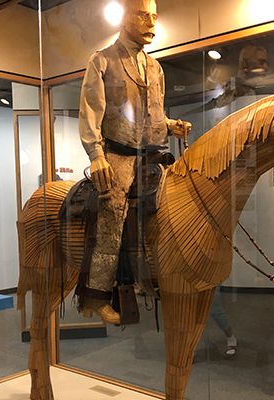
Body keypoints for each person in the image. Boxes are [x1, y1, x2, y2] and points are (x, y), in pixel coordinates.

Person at [78, 0, 192, 324]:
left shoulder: (155, 68)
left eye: (154, 16)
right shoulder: (101, 61)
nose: (150, 23)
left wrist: (171, 125)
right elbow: (89, 113)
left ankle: (162, 274)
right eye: (143, 15)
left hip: (154, 152)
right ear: (125, 17)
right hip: (118, 155)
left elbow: (155, 113)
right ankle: (97, 293)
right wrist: (96, 155)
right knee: (113, 209)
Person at [209, 290, 238, 358]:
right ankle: (188, 346)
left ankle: (231, 338)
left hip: (208, 282)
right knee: (188, 313)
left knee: (216, 310)